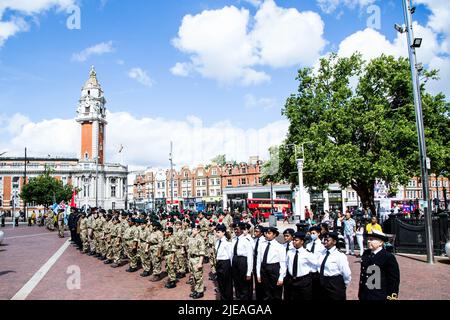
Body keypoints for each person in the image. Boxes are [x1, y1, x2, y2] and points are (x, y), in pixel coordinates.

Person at [358, 230, 400, 300]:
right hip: (365, 294)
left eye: (371, 239)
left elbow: (393, 280)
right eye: (368, 239)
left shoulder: (388, 257)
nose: (368, 241)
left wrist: (392, 296)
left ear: (380, 242)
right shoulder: (366, 254)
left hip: (380, 295)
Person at [285, 232, 318, 300]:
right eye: (293, 240)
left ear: (302, 241)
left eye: (296, 240)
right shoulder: (290, 252)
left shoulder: (307, 254)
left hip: (303, 281)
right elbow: (287, 264)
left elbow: (316, 264)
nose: (294, 242)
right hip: (291, 280)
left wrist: (309, 271)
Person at [318, 232, 351, 300]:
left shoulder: (339, 256)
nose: (325, 242)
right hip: (322, 282)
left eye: (328, 240)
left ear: (334, 242)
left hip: (334, 283)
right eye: (325, 240)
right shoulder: (322, 253)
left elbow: (346, 273)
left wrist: (343, 285)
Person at [256, 226, 286, 300]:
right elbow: (259, 260)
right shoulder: (262, 244)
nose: (266, 235)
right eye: (266, 233)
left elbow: (283, 263)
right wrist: (258, 274)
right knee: (265, 292)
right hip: (264, 269)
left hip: (274, 269)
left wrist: (281, 277)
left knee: (275, 292)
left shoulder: (279, 246)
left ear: (274, 235)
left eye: (269, 233)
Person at [231, 222, 253, 300]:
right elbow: (232, 254)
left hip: (243, 262)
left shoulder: (246, 240)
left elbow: (250, 257)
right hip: (235, 261)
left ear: (242, 230)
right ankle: (238, 297)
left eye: (237, 229)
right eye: (234, 229)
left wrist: (249, 272)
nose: (235, 231)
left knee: (244, 284)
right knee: (236, 283)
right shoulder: (233, 240)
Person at [306, 225, 326, 300]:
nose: (312, 235)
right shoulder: (308, 245)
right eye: (311, 233)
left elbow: (321, 260)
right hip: (308, 272)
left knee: (317, 294)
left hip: (317, 272)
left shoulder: (322, 246)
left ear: (318, 233)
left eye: (314, 233)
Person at [215, 224, 233, 300]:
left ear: (223, 232)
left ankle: (228, 298)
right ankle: (223, 298)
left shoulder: (227, 242)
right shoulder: (217, 242)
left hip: (226, 263)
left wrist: (231, 267)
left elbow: (230, 255)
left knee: (227, 284)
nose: (217, 234)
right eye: (216, 232)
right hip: (219, 263)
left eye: (218, 232)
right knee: (220, 283)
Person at [188, 223, 206, 299]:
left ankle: (200, 291)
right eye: (193, 229)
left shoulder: (200, 239)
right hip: (191, 259)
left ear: (198, 230)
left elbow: (202, 252)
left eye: (195, 229)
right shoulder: (191, 237)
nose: (193, 230)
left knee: (198, 276)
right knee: (194, 276)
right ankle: (196, 289)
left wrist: (200, 263)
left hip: (197, 259)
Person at [252, 225, 266, 300]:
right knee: (257, 282)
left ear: (262, 233)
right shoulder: (254, 240)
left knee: (262, 282)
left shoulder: (264, 241)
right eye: (254, 231)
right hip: (255, 263)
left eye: (257, 231)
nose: (255, 233)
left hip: (262, 264)